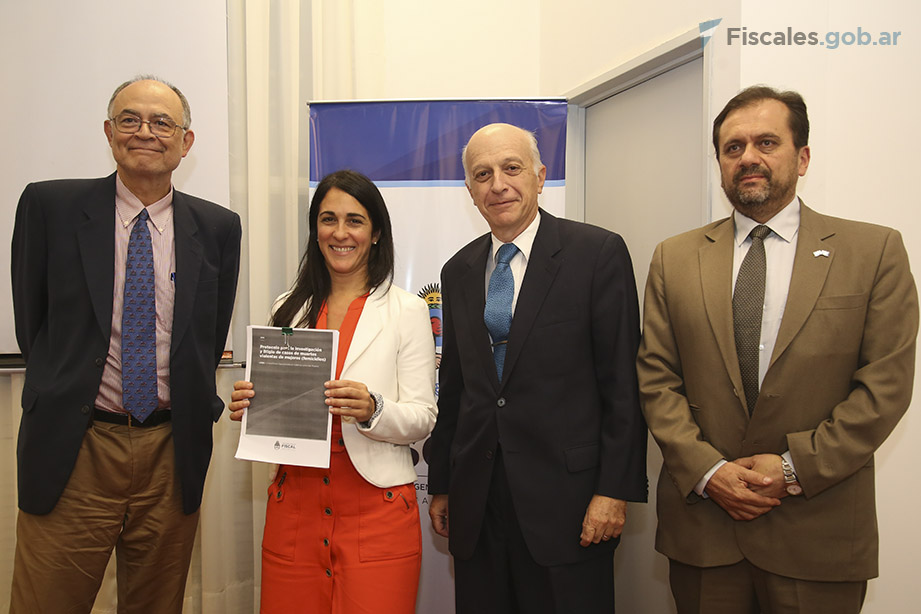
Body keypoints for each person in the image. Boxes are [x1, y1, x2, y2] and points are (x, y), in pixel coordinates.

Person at [637, 85, 918, 613]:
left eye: (766, 142)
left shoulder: (874, 251)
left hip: (818, 534)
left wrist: (791, 469)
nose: (748, 157)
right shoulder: (674, 258)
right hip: (705, 531)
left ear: (802, 157)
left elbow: (885, 388)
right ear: (720, 164)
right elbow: (656, 379)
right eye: (733, 147)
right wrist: (709, 471)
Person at [10, 76, 242, 613]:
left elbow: (206, 340)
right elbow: (32, 322)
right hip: (77, 446)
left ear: (185, 141)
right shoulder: (50, 206)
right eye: (130, 119)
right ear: (109, 132)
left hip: (170, 452)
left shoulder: (218, 227)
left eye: (162, 122)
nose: (145, 132)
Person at [427, 123, 648, 613]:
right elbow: (456, 388)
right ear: (470, 190)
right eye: (482, 174)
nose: (498, 185)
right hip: (478, 505)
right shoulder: (458, 271)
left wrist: (613, 491)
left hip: (570, 506)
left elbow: (623, 386)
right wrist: (442, 483)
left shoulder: (596, 254)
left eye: (512, 168)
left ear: (541, 176)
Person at [228, 169, 436, 613]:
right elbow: (277, 407)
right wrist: (253, 406)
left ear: (376, 233)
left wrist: (373, 408)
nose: (340, 233)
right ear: (315, 230)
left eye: (355, 220)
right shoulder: (286, 308)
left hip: (376, 510)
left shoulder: (407, 311)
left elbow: (423, 417)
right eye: (328, 219)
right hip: (294, 508)